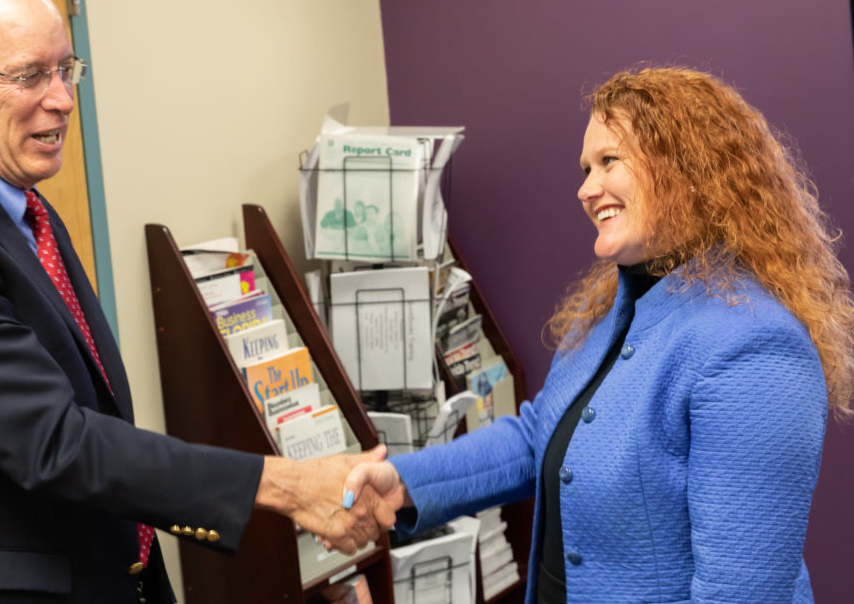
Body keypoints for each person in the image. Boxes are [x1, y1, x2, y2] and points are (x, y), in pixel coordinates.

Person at [0, 0, 394, 604]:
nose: (62, 99)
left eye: (65, 70)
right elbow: (55, 442)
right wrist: (288, 486)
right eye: (28, 76)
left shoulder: (25, 211)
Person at [341, 67, 854, 603]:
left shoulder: (756, 347)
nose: (586, 189)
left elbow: (740, 594)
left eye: (609, 161)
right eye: (586, 168)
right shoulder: (612, 308)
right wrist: (403, 482)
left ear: (688, 167)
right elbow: (539, 435)